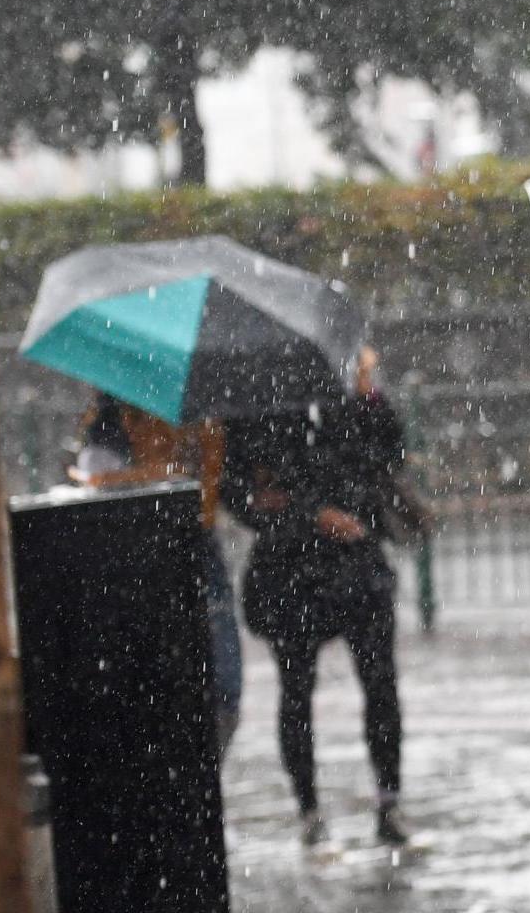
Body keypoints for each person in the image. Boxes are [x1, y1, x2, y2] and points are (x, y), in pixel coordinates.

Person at [225, 348, 412, 848]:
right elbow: (243, 495)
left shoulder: (352, 398)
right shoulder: (257, 409)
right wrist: (309, 515)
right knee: (296, 690)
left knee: (380, 685)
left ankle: (389, 803)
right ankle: (309, 811)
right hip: (291, 576)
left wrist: (370, 397)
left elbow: (390, 454)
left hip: (358, 564)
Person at [70, 392, 242, 751]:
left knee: (220, 673)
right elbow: (97, 479)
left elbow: (224, 479)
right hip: (144, 543)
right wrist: (159, 474)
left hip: (195, 537)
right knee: (161, 669)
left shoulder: (208, 403)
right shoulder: (116, 412)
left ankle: (201, 751)